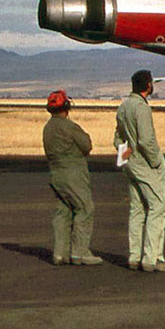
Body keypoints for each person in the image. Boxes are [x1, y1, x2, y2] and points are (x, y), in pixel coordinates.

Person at [115, 69, 165, 272]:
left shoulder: (123, 107)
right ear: (148, 85)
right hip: (146, 166)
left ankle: (134, 256)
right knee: (158, 209)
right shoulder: (142, 109)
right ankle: (152, 258)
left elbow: (117, 139)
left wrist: (125, 155)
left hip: (131, 165)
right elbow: (145, 140)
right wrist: (156, 161)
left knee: (137, 209)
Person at [43, 90, 102, 266]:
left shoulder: (48, 127)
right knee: (85, 208)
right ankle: (80, 252)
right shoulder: (69, 127)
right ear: (66, 107)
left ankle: (60, 253)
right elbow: (86, 145)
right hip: (73, 174)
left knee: (63, 210)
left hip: (56, 174)